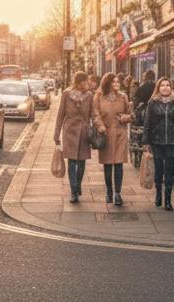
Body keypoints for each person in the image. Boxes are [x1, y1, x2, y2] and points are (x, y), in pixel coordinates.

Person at [142, 76, 174, 211]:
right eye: (162, 85)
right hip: (156, 140)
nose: (165, 87)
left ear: (171, 88)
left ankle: (168, 200)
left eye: (168, 85)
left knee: (169, 170)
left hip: (171, 142)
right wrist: (145, 141)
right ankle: (158, 194)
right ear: (158, 88)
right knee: (158, 170)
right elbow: (147, 123)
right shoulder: (153, 103)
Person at [92, 72, 133, 206]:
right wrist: (101, 127)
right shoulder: (98, 97)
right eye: (113, 82)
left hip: (120, 133)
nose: (116, 84)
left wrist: (124, 118)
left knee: (119, 164)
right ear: (107, 83)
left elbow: (130, 114)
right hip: (106, 134)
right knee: (108, 164)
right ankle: (109, 191)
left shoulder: (123, 96)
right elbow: (95, 115)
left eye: (117, 82)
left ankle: (117, 194)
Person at [54, 71, 94, 203]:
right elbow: (60, 115)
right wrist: (56, 133)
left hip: (83, 132)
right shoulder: (66, 94)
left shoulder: (89, 96)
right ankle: (73, 191)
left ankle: (77, 185)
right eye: (84, 81)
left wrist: (98, 129)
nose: (86, 83)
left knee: (82, 162)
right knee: (71, 162)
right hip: (69, 131)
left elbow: (94, 114)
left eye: (86, 81)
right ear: (78, 83)